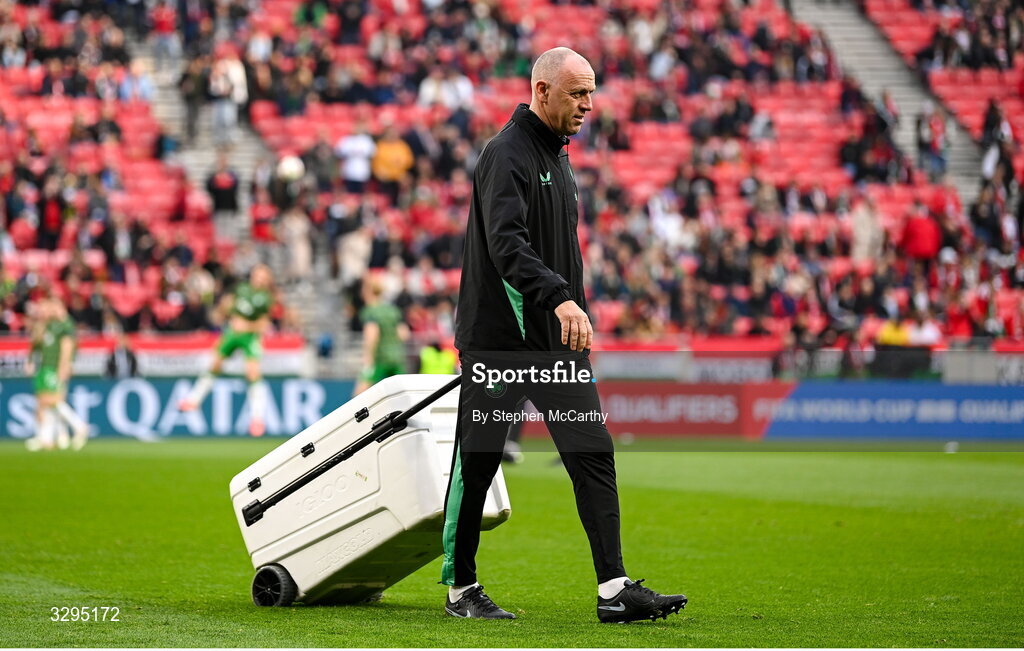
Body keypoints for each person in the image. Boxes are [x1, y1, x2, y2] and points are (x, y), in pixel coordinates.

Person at [443, 47, 686, 623]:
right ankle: (461, 590)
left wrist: (564, 304)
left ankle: (614, 590)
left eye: (592, 92)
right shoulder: (505, 154)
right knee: (478, 461)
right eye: (577, 93)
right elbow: (506, 246)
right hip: (501, 341)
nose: (588, 104)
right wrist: (560, 297)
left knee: (591, 452)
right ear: (542, 90)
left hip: (554, 344)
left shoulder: (559, 156)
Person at [179, 265, 275, 437]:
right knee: (215, 363)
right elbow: (228, 304)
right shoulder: (242, 288)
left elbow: (264, 323)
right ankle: (193, 400)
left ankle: (257, 419)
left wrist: (247, 325)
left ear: (267, 280)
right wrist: (223, 312)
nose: (259, 278)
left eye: (263, 276)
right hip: (232, 332)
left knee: (252, 373)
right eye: (257, 275)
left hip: (250, 336)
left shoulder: (266, 298)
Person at [24, 298, 89, 451]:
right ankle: (51, 438)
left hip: (52, 368)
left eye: (47, 308)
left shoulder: (62, 326)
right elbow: (35, 347)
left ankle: (77, 427)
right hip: (44, 368)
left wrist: (64, 366)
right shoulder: (46, 327)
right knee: (45, 403)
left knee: (51, 400)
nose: (44, 311)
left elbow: (67, 347)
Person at [354, 279, 410, 395]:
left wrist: (368, 358)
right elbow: (404, 334)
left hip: (380, 358)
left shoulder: (370, 311)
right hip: (396, 358)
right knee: (399, 395)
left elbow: (372, 335)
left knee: (359, 394)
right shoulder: (393, 310)